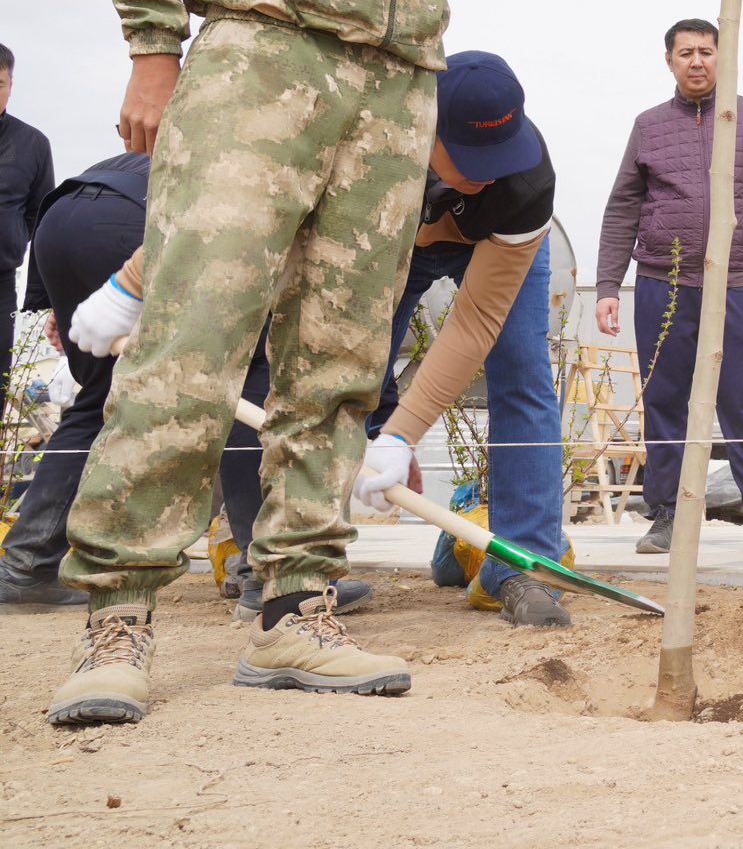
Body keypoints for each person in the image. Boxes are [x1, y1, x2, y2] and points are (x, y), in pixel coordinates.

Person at [48, 0, 743, 728]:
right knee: (193, 337)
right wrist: (152, 49)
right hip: (258, 63)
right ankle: (116, 618)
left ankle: (296, 608)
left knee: (337, 364)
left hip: (394, 96)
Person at [0, 155, 359, 613]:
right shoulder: (322, 174)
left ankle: (27, 567)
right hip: (141, 226)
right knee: (246, 376)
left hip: (63, 219)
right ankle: (266, 575)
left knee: (100, 399)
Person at [348, 51, 579, 626]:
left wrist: (401, 437)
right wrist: (379, 425)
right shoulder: (369, 146)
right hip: (394, 245)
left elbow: (475, 324)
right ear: (423, 124)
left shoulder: (524, 184)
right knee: (345, 372)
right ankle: (302, 559)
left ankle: (523, 567)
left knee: (523, 377)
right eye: (472, 156)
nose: (490, 171)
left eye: (500, 154)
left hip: (494, 244)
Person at [594, 17, 743, 558]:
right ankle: (663, 514)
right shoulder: (647, 126)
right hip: (663, 281)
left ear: (722, 57)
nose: (697, 61)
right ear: (669, 60)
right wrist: (607, 285)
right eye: (685, 52)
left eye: (706, 51)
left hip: (733, 282)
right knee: (664, 399)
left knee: (742, 399)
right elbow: (622, 207)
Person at [0, 43, 57, 383]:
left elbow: (40, 215)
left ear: (10, 86)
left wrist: (13, 238)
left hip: (1, 279)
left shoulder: (33, 143)